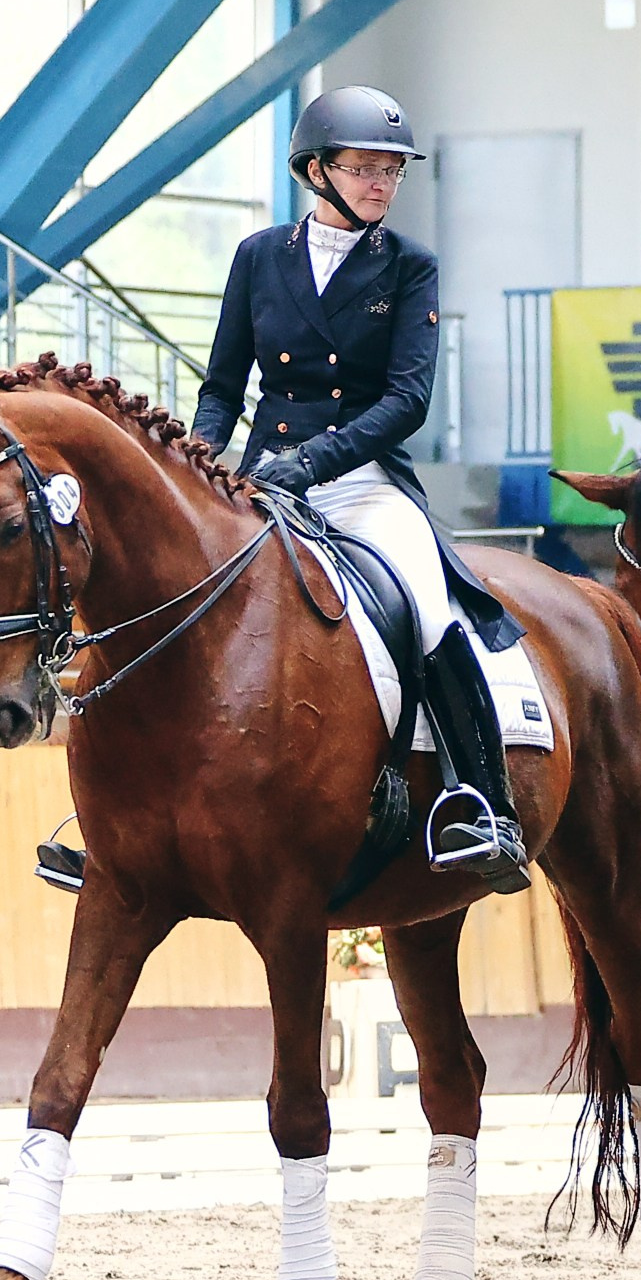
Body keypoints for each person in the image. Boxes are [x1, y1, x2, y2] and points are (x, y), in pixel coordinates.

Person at [192, 85, 529, 894]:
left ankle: (483, 804)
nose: (382, 184)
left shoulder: (409, 267)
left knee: (430, 604)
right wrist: (198, 464)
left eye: (392, 171)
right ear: (317, 171)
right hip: (258, 477)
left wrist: (312, 463)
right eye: (366, 168)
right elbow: (222, 386)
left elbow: (408, 400)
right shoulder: (257, 257)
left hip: (362, 479)